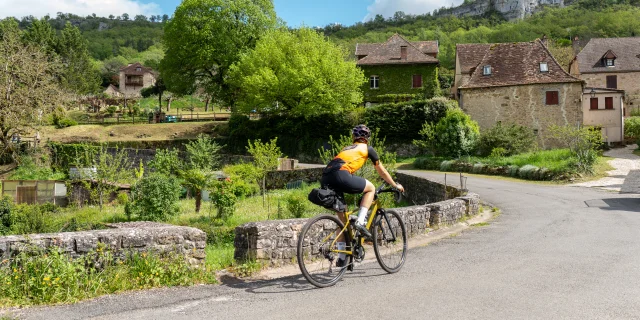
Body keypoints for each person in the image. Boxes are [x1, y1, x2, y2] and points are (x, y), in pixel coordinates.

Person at [320, 124, 405, 267]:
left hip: (326, 177)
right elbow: (382, 172)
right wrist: (395, 185)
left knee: (342, 222)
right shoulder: (368, 149)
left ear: (354, 138)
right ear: (367, 138)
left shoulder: (347, 148)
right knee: (370, 188)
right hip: (341, 175)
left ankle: (342, 258)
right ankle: (360, 221)